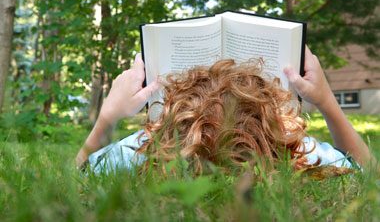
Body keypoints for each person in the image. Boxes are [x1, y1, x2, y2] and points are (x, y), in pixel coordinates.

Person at [76, 47, 374, 174]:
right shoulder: (297, 153)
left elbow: (78, 171)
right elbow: (368, 170)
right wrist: (327, 102)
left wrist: (107, 117)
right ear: (271, 124)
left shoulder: (140, 151)